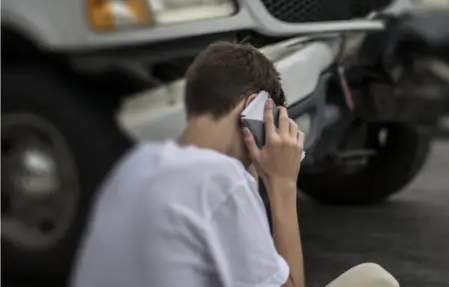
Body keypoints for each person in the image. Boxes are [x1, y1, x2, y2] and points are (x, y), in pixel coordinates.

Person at [71, 41, 400, 287]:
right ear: (253, 107)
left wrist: (253, 174)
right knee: (375, 280)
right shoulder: (218, 178)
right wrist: (283, 185)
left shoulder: (135, 166)